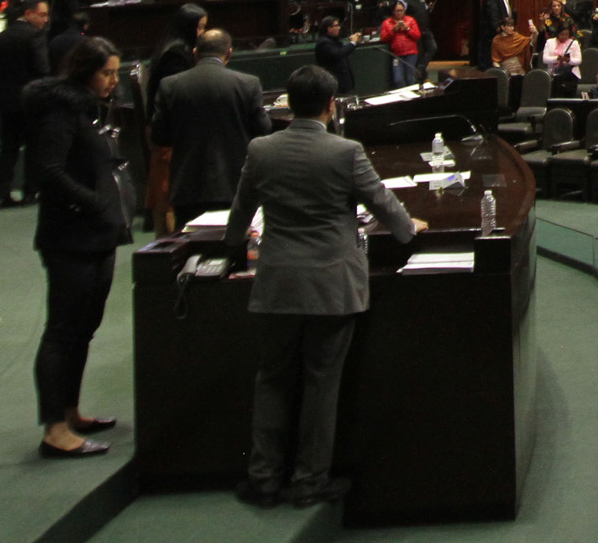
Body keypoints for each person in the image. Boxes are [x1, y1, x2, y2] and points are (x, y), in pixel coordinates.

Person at [227, 66, 425, 508]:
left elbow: (239, 217)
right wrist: (409, 230)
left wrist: (231, 244)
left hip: (277, 282)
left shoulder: (261, 149)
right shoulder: (345, 151)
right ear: (330, 105)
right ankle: (309, 482)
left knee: (272, 380)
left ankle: (263, 479)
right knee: (321, 384)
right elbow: (385, 206)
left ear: (287, 104)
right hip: (330, 286)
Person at [26, 36, 128, 459]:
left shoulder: (88, 109)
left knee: (83, 330)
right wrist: (93, 203)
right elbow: (47, 170)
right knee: (62, 332)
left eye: (116, 74)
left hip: (99, 235)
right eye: (106, 73)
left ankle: (71, 411)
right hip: (70, 237)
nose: (112, 82)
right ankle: (53, 428)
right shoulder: (60, 108)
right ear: (86, 70)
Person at [152, 28, 272, 228]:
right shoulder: (247, 84)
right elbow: (263, 129)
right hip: (236, 182)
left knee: (190, 245)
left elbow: (160, 136)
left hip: (188, 184)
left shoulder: (169, 85)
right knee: (236, 244)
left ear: (195, 53)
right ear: (229, 53)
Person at [0, 0, 52, 209]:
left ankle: (1, 193)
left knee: (8, 148)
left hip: (5, 102)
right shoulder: (35, 36)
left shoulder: (0, 38)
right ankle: (31, 191)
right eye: (42, 15)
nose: (46, 20)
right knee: (33, 147)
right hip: (30, 102)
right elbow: (42, 71)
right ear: (29, 14)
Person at [379, 1, 422, 88]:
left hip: (411, 53)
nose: (399, 13)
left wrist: (407, 29)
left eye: (401, 10)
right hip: (397, 54)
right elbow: (384, 38)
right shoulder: (387, 23)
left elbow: (417, 35)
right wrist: (393, 30)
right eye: (397, 11)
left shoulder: (410, 20)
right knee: (398, 79)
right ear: (393, 11)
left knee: (410, 78)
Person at [312, 14, 355, 80]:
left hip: (343, 80)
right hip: (334, 81)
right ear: (329, 29)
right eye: (336, 26)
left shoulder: (335, 40)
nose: (339, 28)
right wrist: (352, 43)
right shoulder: (324, 43)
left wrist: (355, 42)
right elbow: (338, 54)